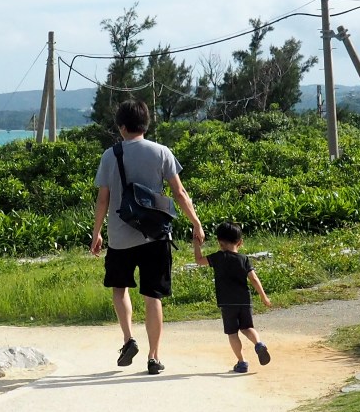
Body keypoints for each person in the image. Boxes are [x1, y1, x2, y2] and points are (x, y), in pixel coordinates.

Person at [90, 99, 203, 375]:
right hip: (155, 236)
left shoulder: (110, 155)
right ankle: (154, 357)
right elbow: (179, 193)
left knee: (120, 289)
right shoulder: (162, 152)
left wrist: (97, 233)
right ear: (145, 124)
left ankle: (128, 339)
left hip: (119, 237)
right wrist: (195, 223)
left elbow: (102, 199)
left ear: (121, 127)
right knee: (153, 296)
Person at [203, 223, 271, 372]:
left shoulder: (218, 257)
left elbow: (198, 260)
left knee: (232, 333)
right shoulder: (244, 258)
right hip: (244, 300)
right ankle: (259, 343)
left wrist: (196, 243)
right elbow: (254, 279)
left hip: (227, 303)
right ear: (240, 242)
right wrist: (263, 296)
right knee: (247, 327)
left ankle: (242, 362)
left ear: (220, 242)